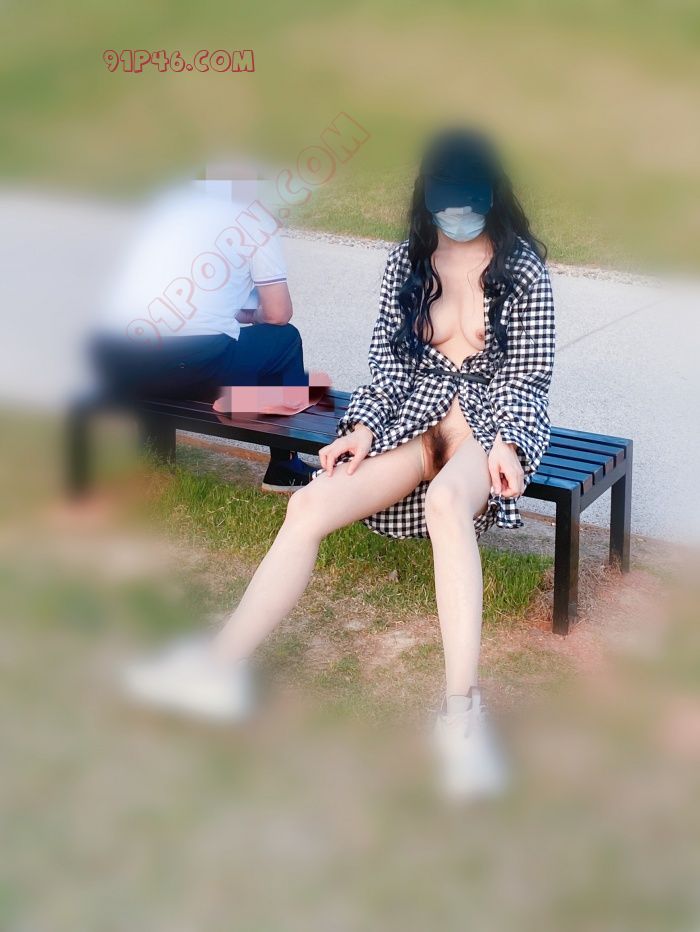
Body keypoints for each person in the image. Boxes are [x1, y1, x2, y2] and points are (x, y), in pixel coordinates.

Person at [124, 131, 556, 798]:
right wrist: (361, 429)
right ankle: (216, 671)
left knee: (447, 505)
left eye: (469, 204)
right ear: (427, 199)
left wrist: (506, 444)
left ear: (493, 196)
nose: (457, 217)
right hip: (416, 419)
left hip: (491, 423)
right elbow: (387, 370)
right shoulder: (408, 261)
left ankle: (460, 716)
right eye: (445, 205)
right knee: (309, 504)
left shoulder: (523, 268)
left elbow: (527, 379)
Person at [94, 177, 315, 492]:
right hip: (189, 367)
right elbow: (278, 314)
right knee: (285, 340)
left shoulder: (166, 209)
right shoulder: (255, 220)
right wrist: (253, 315)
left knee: (162, 343)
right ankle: (284, 465)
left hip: (119, 363)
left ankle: (153, 452)